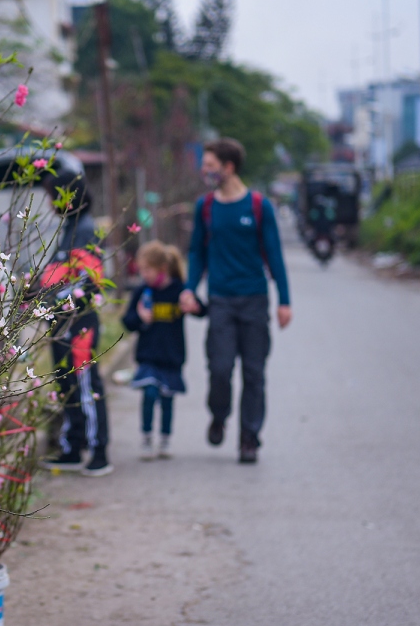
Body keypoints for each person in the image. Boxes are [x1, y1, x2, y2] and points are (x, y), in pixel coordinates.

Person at [178, 138, 291, 464]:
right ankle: (219, 414)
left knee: (254, 373)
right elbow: (197, 250)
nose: (205, 172)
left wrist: (284, 300)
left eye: (210, 166)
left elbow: (275, 255)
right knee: (220, 368)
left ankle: (249, 438)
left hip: (254, 299)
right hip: (221, 301)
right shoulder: (206, 207)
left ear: (228, 167)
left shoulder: (258, 206)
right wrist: (189, 288)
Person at [37, 172, 113, 476]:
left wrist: (52, 299)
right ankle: (72, 447)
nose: (48, 201)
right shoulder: (69, 228)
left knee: (84, 385)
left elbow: (89, 282)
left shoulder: (85, 230)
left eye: (51, 194)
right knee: (66, 384)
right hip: (60, 324)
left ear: (67, 196)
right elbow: (55, 274)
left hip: (79, 322)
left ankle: (99, 451)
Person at [122, 241, 204, 460]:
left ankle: (165, 438)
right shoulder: (142, 292)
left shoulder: (179, 291)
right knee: (149, 393)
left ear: (162, 269)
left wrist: (193, 306)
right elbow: (127, 322)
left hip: (172, 357)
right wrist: (139, 317)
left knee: (167, 399)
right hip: (148, 357)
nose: (143, 275)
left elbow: (201, 309)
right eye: (141, 270)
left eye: (147, 270)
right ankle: (147, 436)